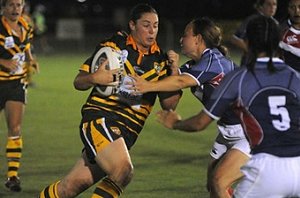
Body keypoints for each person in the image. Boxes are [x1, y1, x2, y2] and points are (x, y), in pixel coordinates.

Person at [39, 4, 181, 198]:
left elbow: (169, 105)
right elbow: (78, 81)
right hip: (101, 119)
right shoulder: (113, 47)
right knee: (123, 170)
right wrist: (93, 78)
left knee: (69, 188)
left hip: (126, 133)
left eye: (155, 26)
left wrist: (174, 71)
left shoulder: (162, 61)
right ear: (132, 25)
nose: (152, 30)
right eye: (146, 25)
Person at [156, 15, 300, 197]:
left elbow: (200, 122)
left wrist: (175, 122)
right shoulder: (293, 76)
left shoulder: (239, 77)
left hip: (262, 155)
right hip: (292, 161)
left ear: (246, 43)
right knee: (214, 184)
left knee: (219, 182)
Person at [130, 17, 250, 198]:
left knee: (219, 181)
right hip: (228, 131)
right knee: (214, 186)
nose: (181, 40)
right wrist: (174, 68)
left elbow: (180, 81)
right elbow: (171, 99)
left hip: (251, 132)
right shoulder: (195, 66)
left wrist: (145, 85)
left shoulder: (214, 61)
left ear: (198, 39)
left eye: (185, 35)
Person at [0, 0, 38, 192]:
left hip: (16, 83)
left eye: (19, 5)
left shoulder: (26, 24)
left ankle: (13, 176)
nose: (16, 9)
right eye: (11, 5)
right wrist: (2, 62)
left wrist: (31, 59)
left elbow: (27, 45)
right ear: (3, 7)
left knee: (15, 128)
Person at [230, 0, 277, 66]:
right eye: (269, 4)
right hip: (250, 63)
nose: (272, 7)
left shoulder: (276, 24)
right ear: (261, 7)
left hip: (267, 65)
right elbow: (235, 38)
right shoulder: (252, 20)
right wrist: (252, 52)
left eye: (274, 4)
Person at [279, 0, 300, 72]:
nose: (297, 11)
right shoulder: (280, 31)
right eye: (292, 7)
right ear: (288, 9)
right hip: (290, 78)